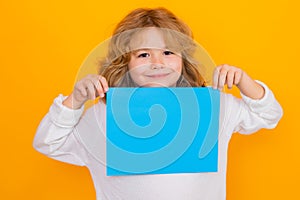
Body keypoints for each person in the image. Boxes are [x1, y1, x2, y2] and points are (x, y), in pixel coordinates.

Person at [33, 7, 283, 200]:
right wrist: (75, 100)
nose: (157, 62)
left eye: (168, 52)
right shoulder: (104, 115)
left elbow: (270, 115)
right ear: (125, 62)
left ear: (183, 60)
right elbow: (48, 142)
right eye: (143, 54)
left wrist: (243, 81)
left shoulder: (212, 106)